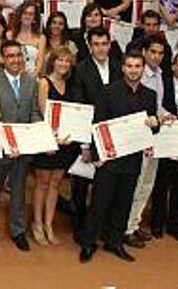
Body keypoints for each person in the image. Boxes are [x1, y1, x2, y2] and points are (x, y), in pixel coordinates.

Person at [79, 51, 159, 264]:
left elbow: (151, 128)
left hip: (133, 159)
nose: (133, 70)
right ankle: (88, 242)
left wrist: (155, 123)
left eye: (137, 66)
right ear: (123, 68)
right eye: (130, 66)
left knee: (123, 203)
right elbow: (98, 123)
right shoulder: (108, 92)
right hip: (109, 158)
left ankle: (115, 241)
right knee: (99, 202)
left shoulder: (150, 95)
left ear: (143, 69)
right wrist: (97, 155)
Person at [0, 40, 42, 252]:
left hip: (23, 147)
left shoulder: (31, 82)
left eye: (18, 55)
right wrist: (6, 140)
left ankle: (18, 231)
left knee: (19, 191)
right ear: (3, 60)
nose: (15, 60)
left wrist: (39, 132)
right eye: (10, 56)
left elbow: (35, 112)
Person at [69, 27, 121, 241]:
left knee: (108, 186)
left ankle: (102, 227)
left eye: (104, 44)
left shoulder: (119, 67)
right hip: (88, 136)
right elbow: (79, 106)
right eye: (96, 44)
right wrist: (84, 145)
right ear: (89, 46)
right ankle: (80, 228)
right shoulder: (80, 70)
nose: (100, 48)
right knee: (81, 186)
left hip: (115, 136)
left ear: (110, 44)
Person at [31, 46, 78, 245]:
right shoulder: (44, 82)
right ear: (53, 61)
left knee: (55, 184)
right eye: (60, 60)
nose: (64, 64)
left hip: (65, 142)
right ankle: (37, 223)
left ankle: (49, 224)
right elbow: (43, 114)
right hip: (47, 140)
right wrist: (52, 138)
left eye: (67, 61)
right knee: (42, 183)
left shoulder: (70, 84)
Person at [123, 37, 167, 248]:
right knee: (136, 183)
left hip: (154, 136)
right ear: (144, 52)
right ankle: (126, 227)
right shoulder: (139, 75)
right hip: (136, 139)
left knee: (147, 184)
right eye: (153, 52)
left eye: (160, 53)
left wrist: (167, 115)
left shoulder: (160, 75)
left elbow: (157, 107)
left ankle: (134, 223)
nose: (156, 56)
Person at [150, 50, 178, 240]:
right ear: (173, 67)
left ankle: (176, 225)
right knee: (161, 184)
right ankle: (157, 223)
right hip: (165, 142)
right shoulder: (163, 84)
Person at [7, 0, 45, 75]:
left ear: (34, 18)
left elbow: (40, 61)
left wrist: (32, 78)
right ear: (20, 16)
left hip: (33, 76)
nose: (27, 16)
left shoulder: (41, 38)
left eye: (31, 14)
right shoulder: (9, 35)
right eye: (25, 13)